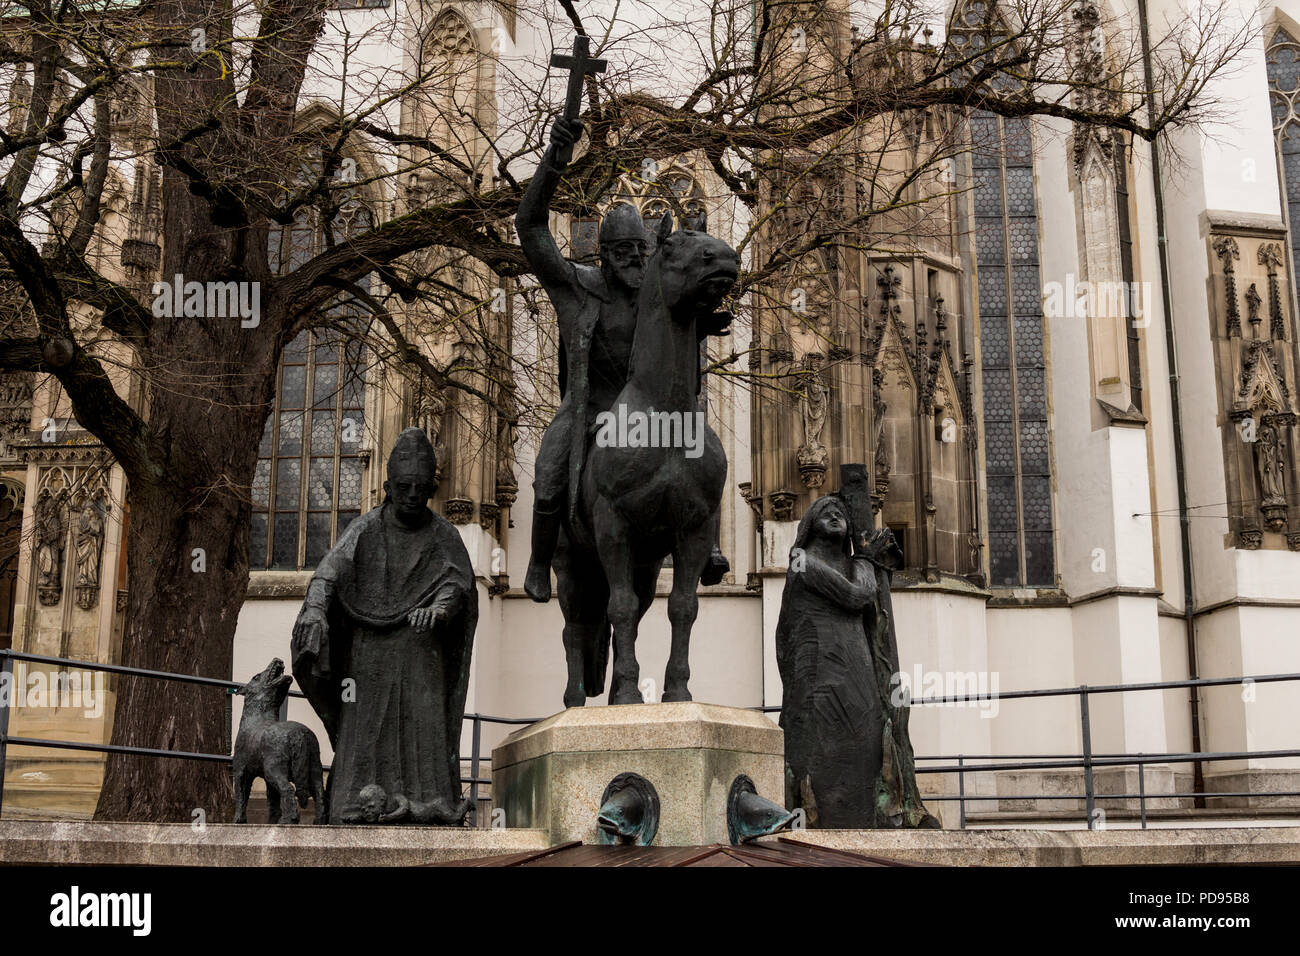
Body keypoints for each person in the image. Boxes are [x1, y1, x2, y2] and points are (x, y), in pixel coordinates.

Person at [516, 115, 730, 602]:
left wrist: (703, 323)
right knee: (548, 477)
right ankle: (537, 561)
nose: (636, 259)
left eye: (642, 249)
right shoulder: (574, 287)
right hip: (588, 411)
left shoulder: (655, 297)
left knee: (701, 449)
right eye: (625, 252)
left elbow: (676, 340)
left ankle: (709, 544)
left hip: (649, 417)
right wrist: (554, 159)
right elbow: (529, 227)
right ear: (603, 253)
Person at [290, 427, 477, 825]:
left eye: (421, 488)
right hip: (368, 654)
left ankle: (431, 809)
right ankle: (351, 807)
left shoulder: (444, 534)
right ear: (389, 486)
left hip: (421, 651)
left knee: (425, 727)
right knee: (363, 729)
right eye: (405, 486)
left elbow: (458, 585)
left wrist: (439, 611)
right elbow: (330, 572)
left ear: (431, 488)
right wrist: (316, 610)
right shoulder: (365, 530)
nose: (412, 495)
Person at [775, 495, 884, 828]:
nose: (836, 515)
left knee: (864, 739)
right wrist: (867, 560)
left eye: (841, 513)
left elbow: (871, 609)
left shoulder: (852, 567)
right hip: (819, 674)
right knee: (821, 746)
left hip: (856, 669)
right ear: (810, 524)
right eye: (826, 512)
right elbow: (857, 596)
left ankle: (863, 819)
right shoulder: (801, 561)